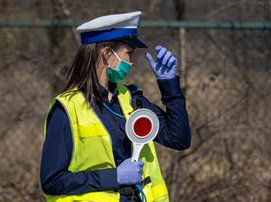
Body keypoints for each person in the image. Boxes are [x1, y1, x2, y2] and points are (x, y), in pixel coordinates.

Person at [40, 11, 191, 202]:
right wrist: (114, 177)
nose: (134, 62)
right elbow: (52, 181)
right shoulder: (67, 109)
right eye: (129, 53)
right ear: (107, 54)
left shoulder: (131, 99)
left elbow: (179, 138)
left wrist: (169, 85)